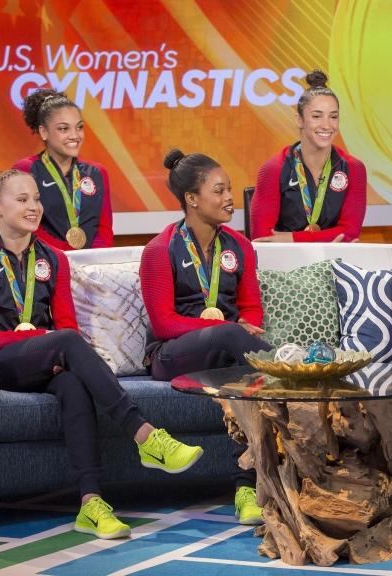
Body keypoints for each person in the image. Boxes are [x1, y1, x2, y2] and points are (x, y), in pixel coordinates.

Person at [0, 169, 203, 540]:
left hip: (47, 360)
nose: (34, 206)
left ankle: (91, 504)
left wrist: (50, 345)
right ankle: (145, 435)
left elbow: (65, 323)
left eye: (36, 199)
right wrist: (43, 339)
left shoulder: (53, 259)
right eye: (22, 200)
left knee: (73, 384)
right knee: (68, 342)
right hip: (0, 366)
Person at [140, 149, 273, 525]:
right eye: (220, 191)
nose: (230, 198)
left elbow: (251, 310)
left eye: (229, 189)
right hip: (170, 356)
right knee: (236, 341)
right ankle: (292, 374)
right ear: (192, 199)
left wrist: (238, 328)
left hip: (226, 351)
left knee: (246, 380)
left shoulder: (240, 246)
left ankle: (246, 487)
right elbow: (164, 324)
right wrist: (225, 330)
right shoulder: (159, 250)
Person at [251, 69, 364, 243]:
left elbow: (349, 234)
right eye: (317, 116)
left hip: (334, 263)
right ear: (299, 120)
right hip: (283, 264)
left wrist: (291, 238)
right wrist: (326, 240)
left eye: (333, 117)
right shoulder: (273, 169)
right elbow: (262, 239)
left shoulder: (353, 168)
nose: (327, 125)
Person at [13, 89, 113, 250]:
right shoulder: (26, 169)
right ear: (43, 132)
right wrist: (67, 257)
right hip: (47, 262)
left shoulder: (97, 171)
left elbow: (104, 227)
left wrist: (94, 259)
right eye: (63, 129)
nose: (75, 135)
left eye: (79, 127)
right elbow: (27, 227)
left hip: (91, 265)